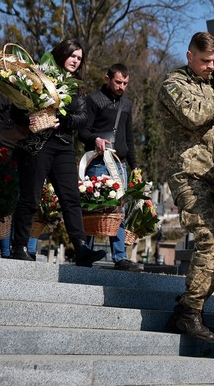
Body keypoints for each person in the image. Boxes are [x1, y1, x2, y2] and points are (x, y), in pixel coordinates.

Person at [159, 32, 214, 343]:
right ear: (189, 56)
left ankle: (189, 306)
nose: (211, 67)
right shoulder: (174, 83)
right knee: (211, 238)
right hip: (188, 175)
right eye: (205, 61)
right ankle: (190, 312)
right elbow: (193, 116)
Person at [9, 38, 106, 266]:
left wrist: (63, 120)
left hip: (62, 145)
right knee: (30, 197)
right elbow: (16, 111)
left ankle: (81, 248)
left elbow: (82, 118)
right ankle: (20, 246)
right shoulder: (38, 76)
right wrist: (30, 118)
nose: (76, 61)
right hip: (37, 144)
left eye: (79, 58)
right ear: (62, 53)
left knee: (71, 199)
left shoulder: (76, 85)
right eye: (73, 55)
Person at [78, 63, 142, 272]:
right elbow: (82, 132)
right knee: (92, 206)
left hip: (119, 163)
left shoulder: (127, 105)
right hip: (97, 161)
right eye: (118, 82)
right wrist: (94, 139)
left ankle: (120, 257)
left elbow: (129, 138)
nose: (121, 87)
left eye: (125, 83)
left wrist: (136, 167)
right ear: (107, 78)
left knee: (118, 210)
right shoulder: (94, 100)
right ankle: (84, 253)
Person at [0, 91, 39, 259]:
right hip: (4, 152)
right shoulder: (3, 94)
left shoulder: (38, 96)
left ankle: (20, 248)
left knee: (26, 202)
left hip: (29, 154)